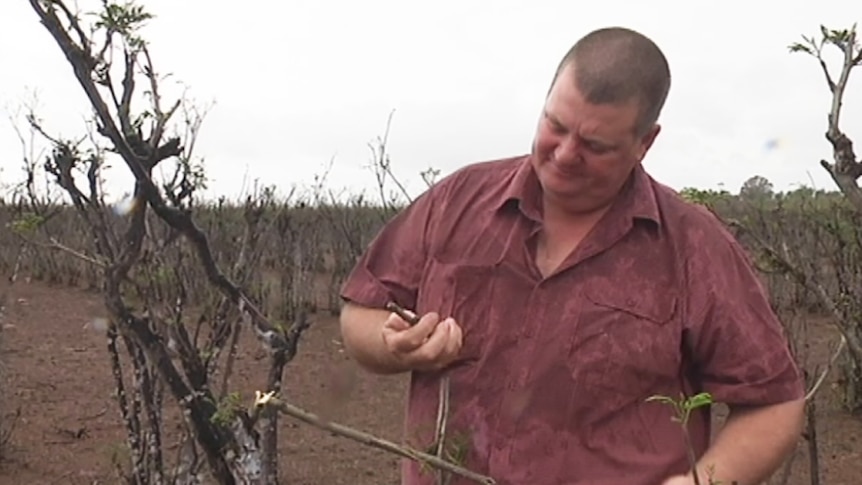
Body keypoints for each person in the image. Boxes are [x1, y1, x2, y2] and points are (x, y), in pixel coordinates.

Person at [338, 26, 805, 485]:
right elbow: (362, 309)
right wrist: (392, 344)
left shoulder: (692, 244)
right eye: (554, 126)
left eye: (595, 146)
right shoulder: (457, 201)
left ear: (645, 143)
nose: (563, 155)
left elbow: (774, 402)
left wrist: (704, 481)